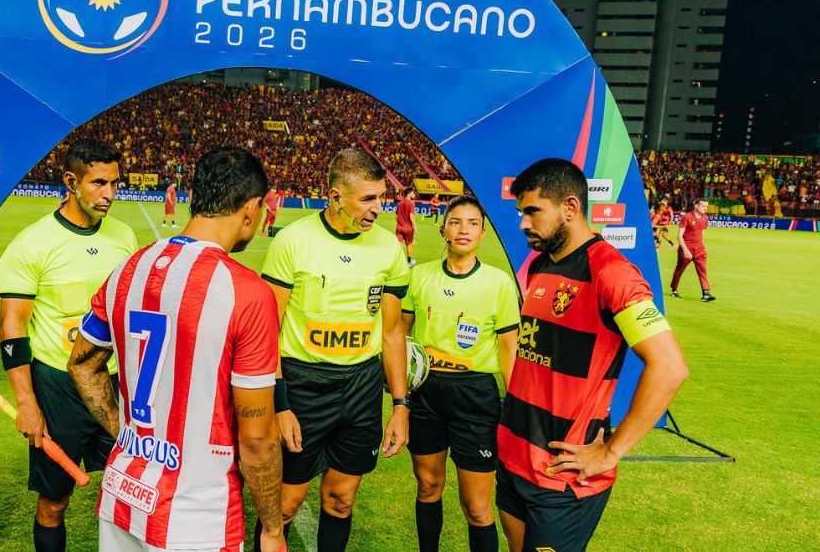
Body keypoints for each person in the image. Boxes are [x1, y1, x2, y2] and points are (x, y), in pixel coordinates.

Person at [67, 147, 285, 552]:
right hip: (195, 516)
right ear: (252, 209)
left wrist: (127, 434)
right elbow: (257, 440)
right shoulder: (248, 293)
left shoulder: (128, 269)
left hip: (123, 495)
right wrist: (271, 528)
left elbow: (81, 362)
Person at [498, 158, 689, 552]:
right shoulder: (539, 265)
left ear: (569, 207)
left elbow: (670, 366)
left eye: (532, 211)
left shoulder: (612, 273)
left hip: (560, 475)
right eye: (521, 213)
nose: (523, 224)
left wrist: (611, 450)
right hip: (514, 456)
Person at [260, 147, 412, 552]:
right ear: (334, 197)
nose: (379, 208)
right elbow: (266, 331)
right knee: (285, 507)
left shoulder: (390, 249)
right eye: (367, 199)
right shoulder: (293, 241)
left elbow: (392, 332)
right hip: (303, 385)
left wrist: (400, 405)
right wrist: (279, 403)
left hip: (361, 388)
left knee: (341, 501)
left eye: (381, 197)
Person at [0, 138, 138, 552]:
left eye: (114, 183)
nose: (109, 194)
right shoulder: (31, 244)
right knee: (55, 500)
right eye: (98, 183)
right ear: (71, 181)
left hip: (112, 383)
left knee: (132, 490)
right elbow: (12, 328)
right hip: (57, 387)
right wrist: (27, 403)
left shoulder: (124, 236)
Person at [401, 194, 519, 552]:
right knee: (428, 487)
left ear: (483, 233)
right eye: (456, 222)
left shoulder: (499, 283)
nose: (464, 229)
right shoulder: (418, 277)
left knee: (478, 506)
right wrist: (400, 397)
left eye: (472, 223)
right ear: (443, 230)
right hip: (425, 392)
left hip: (475, 395)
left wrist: (514, 409)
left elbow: (508, 350)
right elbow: (399, 337)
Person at [671, 198, 714, 301]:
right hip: (686, 248)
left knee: (703, 270)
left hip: (699, 250)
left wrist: (701, 245)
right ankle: (674, 289)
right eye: (703, 206)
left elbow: (701, 232)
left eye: (706, 206)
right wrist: (685, 250)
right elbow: (679, 236)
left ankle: (706, 293)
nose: (705, 208)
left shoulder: (705, 218)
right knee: (679, 270)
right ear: (696, 206)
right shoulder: (687, 217)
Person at [395, 187, 416, 266]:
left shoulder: (399, 204)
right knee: (409, 244)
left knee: (399, 245)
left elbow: (396, 216)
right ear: (409, 193)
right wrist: (414, 226)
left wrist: (400, 223)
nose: (414, 194)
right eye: (413, 193)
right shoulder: (411, 204)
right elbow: (411, 215)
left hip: (399, 227)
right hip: (408, 228)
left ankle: (397, 262)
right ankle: (409, 262)